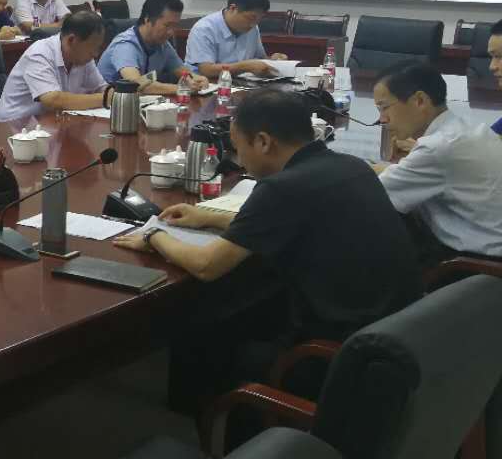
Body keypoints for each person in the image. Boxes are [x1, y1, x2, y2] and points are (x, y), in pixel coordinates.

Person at [113, 90, 419, 409]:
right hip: (393, 333)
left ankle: (213, 426)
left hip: (336, 355)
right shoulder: (350, 166)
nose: (238, 159)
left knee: (205, 327)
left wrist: (153, 235)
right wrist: (208, 217)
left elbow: (206, 265)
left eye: (238, 147)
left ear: (262, 142)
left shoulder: (282, 188)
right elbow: (294, 219)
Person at [371, 62, 502, 261]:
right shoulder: (463, 128)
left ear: (420, 101)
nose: (382, 119)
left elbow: (372, 194)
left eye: (384, 107)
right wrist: (375, 169)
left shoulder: (437, 148)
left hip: (474, 264)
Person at [0, 10, 109, 123]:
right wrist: (104, 99)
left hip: (50, 122)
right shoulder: (39, 53)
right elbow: (53, 100)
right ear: (71, 40)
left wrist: (113, 95)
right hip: (14, 126)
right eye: (92, 47)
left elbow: (102, 88)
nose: (96, 54)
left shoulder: (84, 57)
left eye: (98, 48)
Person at [97, 0, 209, 95]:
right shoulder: (125, 45)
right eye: (167, 25)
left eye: (174, 26)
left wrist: (197, 79)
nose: (171, 32)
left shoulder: (162, 44)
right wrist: (181, 88)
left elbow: (183, 72)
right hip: (109, 105)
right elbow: (137, 85)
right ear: (147, 19)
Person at [183, 0, 288, 80]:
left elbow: (259, 58)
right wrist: (245, 67)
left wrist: (273, 60)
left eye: (258, 20)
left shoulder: (252, 28)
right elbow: (206, 70)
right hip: (205, 86)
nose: (253, 24)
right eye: (250, 18)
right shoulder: (204, 29)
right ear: (233, 8)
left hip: (240, 85)